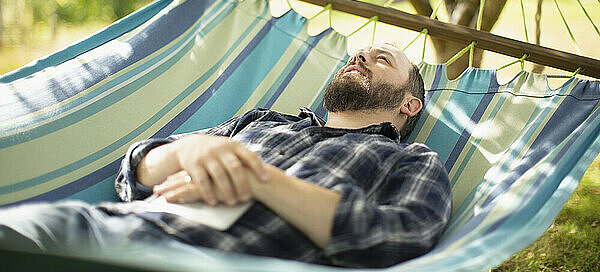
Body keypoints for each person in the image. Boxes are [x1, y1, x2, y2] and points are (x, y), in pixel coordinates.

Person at [0, 44, 452, 268]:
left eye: (380, 59)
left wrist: (262, 180)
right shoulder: (263, 121)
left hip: (212, 260)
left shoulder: (411, 160)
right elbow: (132, 172)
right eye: (356, 54)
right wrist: (189, 149)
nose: (359, 58)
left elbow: (400, 237)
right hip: (105, 226)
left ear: (409, 104)